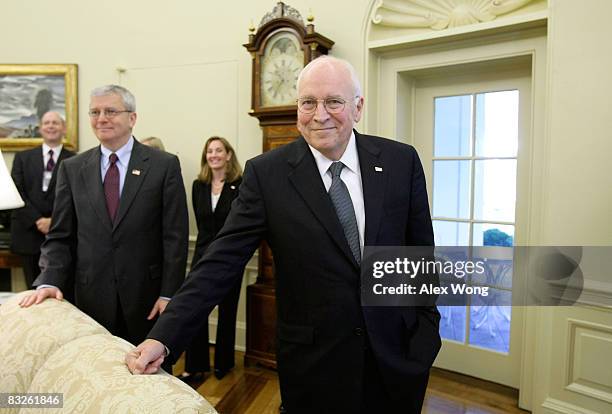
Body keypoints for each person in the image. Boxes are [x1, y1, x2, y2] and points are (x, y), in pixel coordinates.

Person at [126, 57, 441, 413]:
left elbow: (419, 256)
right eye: (308, 102)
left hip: (396, 359)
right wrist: (163, 338)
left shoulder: (401, 161)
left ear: (358, 107)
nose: (319, 114)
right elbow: (219, 262)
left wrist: (426, 335)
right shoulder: (267, 175)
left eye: (333, 102)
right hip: (314, 368)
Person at [19, 85, 189, 353]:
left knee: (147, 381)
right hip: (88, 302)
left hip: (147, 301)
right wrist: (50, 279)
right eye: (95, 112)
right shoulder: (73, 168)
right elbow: (60, 236)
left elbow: (175, 237)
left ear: (132, 118)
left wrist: (169, 295)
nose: (101, 118)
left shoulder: (163, 165)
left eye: (110, 111)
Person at [177, 136, 243, 383]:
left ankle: (223, 363)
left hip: (230, 257)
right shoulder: (199, 185)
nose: (213, 155)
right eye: (209, 151)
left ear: (228, 154)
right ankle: (195, 365)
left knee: (227, 311)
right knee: (195, 310)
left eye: (218, 150)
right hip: (202, 256)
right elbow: (204, 226)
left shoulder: (241, 183)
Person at [10, 112, 75, 288]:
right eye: (46, 123)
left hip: (62, 236)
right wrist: (38, 220)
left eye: (55, 122)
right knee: (31, 292)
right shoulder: (23, 158)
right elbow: (17, 193)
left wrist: (54, 221)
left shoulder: (76, 160)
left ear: (64, 129)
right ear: (40, 129)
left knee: (60, 291)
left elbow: (77, 197)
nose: (51, 126)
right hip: (28, 235)